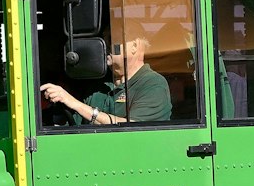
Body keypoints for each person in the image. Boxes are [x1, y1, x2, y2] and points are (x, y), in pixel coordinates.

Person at [40, 34, 171, 125]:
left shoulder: (153, 84)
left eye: (110, 39)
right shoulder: (97, 85)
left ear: (135, 46)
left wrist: (75, 103)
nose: (104, 45)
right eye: (102, 40)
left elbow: (133, 131)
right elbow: (74, 124)